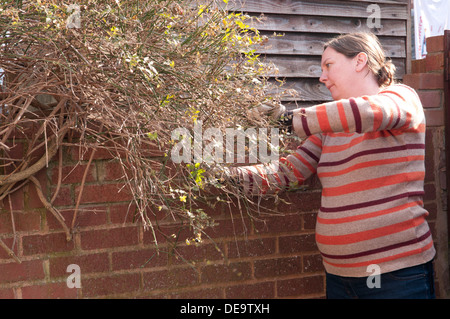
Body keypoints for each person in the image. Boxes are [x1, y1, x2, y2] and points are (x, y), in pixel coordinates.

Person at [226, 32, 436, 299]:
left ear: (360, 61)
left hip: (396, 275)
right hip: (339, 277)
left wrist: (287, 120)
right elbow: (287, 172)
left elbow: (368, 112)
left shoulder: (402, 97)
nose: (322, 77)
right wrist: (226, 178)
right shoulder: (330, 127)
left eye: (328, 65)